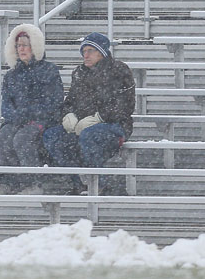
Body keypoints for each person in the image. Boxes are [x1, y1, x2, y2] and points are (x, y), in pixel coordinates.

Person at [42, 32, 136, 194]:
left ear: (102, 52)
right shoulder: (79, 73)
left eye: (90, 51)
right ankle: (77, 182)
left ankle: (100, 184)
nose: (85, 55)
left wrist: (99, 117)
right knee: (52, 136)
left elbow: (125, 106)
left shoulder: (120, 70)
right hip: (82, 125)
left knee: (90, 136)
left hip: (115, 125)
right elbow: (69, 102)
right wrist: (68, 115)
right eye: (83, 51)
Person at [0, 24, 64, 195]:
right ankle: (8, 181)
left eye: (25, 44)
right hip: (18, 120)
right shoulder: (11, 75)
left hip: (43, 121)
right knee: (3, 137)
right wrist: (14, 115)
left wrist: (28, 114)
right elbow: (6, 103)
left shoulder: (49, 70)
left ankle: (33, 182)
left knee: (23, 140)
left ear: (35, 46)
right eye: (18, 45)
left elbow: (53, 102)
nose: (21, 49)